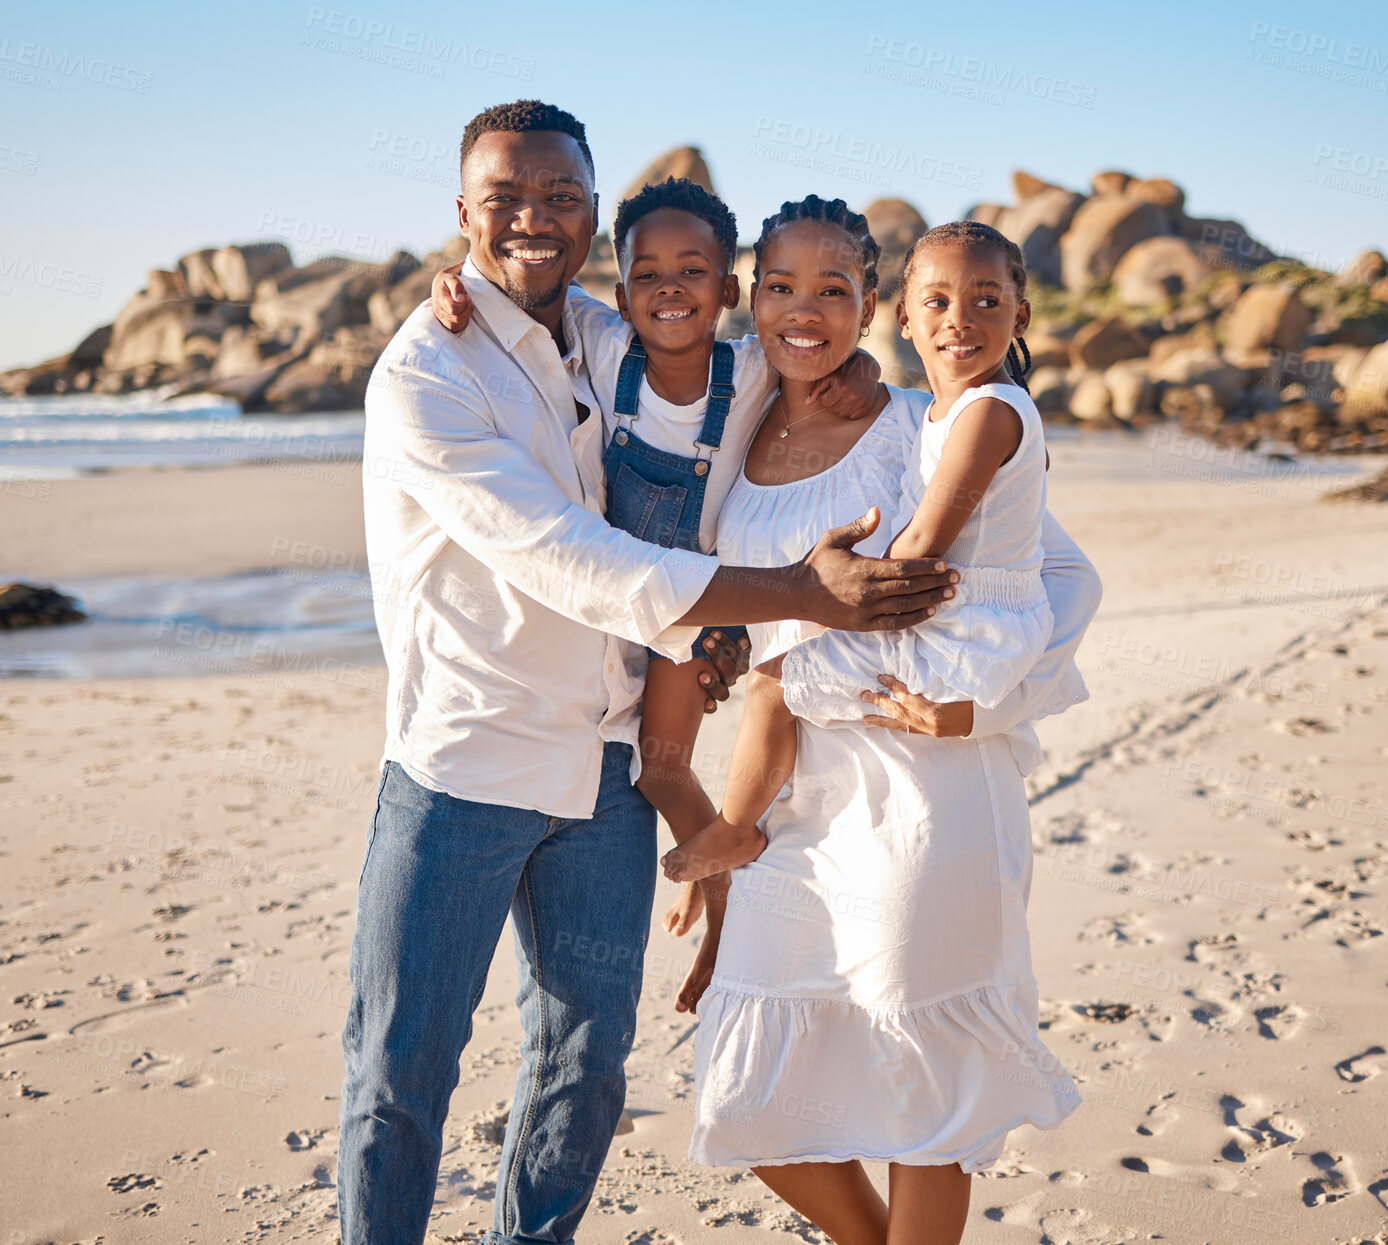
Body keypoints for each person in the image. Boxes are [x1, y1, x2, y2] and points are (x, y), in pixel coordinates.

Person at [340, 101, 959, 1245]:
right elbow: (570, 560)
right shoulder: (426, 371)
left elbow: (786, 345)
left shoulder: (594, 325)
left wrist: (876, 364)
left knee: (585, 1065)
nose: (535, 219)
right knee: (401, 1067)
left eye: (561, 198)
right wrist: (794, 595)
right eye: (507, 199)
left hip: (606, 773)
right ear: (463, 211)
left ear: (590, 218)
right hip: (463, 763)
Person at [677, 198, 1087, 1245]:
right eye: (780, 286)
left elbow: (1060, 583)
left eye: (832, 289)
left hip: (923, 786)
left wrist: (980, 709)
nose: (803, 310)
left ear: (872, 307)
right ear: (750, 297)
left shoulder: (925, 424)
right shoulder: (729, 424)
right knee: (753, 1092)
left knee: (923, 1086)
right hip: (790, 795)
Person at [426, 177, 884, 980]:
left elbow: (819, 346)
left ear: (729, 290)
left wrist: (870, 368)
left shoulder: (750, 372)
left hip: (703, 604)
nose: (669, 288)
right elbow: (516, 298)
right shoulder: (602, 349)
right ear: (618, 292)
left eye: (693, 272)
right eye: (647, 275)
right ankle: (721, 881)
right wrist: (446, 284)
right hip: (617, 606)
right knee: (658, 766)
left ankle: (724, 893)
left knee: (661, 763)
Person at [662, 218, 1051, 884]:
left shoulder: (952, 414)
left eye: (986, 300)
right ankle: (737, 829)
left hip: (914, 775)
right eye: (779, 286)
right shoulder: (736, 409)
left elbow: (1032, 567)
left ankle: (732, 827)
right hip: (800, 804)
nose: (959, 319)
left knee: (774, 679)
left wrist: (982, 712)